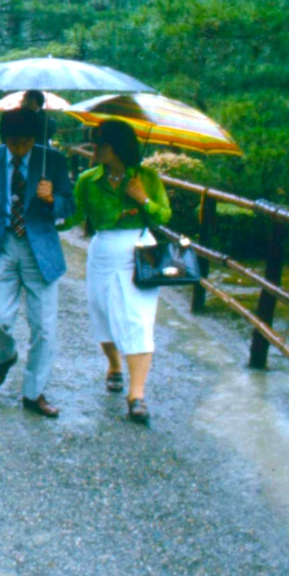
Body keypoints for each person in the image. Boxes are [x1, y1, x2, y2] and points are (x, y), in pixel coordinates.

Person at [0, 108, 75, 418]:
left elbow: (71, 206)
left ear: (35, 138)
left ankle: (33, 392)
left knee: (44, 328)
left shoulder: (52, 160)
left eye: (24, 142)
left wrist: (53, 199)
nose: (18, 148)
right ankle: (4, 356)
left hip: (41, 251)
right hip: (3, 245)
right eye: (12, 142)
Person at [63, 120, 172, 425]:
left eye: (99, 143)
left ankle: (136, 396)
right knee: (103, 313)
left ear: (116, 147)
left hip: (139, 252)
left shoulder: (147, 178)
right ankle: (114, 366)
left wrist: (143, 199)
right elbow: (73, 217)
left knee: (138, 319)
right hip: (102, 253)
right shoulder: (87, 179)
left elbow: (163, 215)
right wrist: (49, 205)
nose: (93, 148)